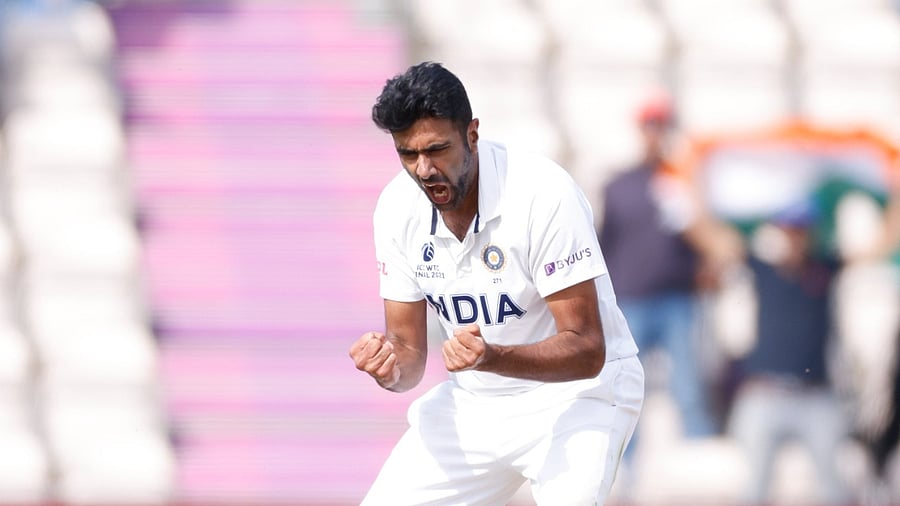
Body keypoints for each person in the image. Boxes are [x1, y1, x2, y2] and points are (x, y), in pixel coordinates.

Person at [348, 61, 643, 505]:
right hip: (477, 402)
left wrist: (491, 356)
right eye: (408, 154)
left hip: (581, 396)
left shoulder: (542, 193)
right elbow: (408, 353)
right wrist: (389, 369)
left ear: (472, 134)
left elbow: (587, 350)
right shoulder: (395, 208)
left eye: (437, 149)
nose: (424, 170)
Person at [597, 93, 723, 465]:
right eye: (650, 125)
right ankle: (623, 461)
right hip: (631, 298)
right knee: (625, 385)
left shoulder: (684, 180)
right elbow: (606, 243)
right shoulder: (619, 185)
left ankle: (698, 458)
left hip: (677, 299)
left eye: (661, 125)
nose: (656, 133)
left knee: (687, 382)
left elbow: (704, 236)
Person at [727, 201, 852, 505]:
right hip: (764, 393)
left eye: (800, 231)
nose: (795, 237)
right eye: (789, 230)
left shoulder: (825, 270)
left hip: (815, 395)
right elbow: (713, 237)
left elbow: (881, 244)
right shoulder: (763, 270)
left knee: (833, 487)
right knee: (754, 487)